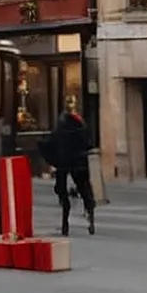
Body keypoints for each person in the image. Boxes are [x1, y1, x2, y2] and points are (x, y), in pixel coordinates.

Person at [42, 100, 96, 236]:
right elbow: (89, 144)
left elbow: (50, 144)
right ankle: (90, 212)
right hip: (79, 162)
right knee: (84, 188)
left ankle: (65, 223)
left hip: (63, 163)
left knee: (62, 190)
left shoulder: (60, 130)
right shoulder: (80, 129)